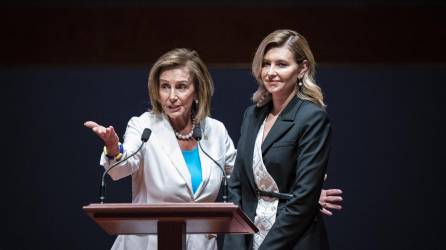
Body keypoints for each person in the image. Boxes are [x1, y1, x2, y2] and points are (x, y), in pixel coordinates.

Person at [85, 48, 341, 250]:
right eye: (165, 86)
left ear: (197, 91)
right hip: (147, 245)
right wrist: (112, 147)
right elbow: (122, 166)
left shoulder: (215, 131)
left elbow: (245, 176)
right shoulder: (144, 126)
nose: (172, 96)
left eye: (181, 86)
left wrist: (297, 196)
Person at [224, 29, 335, 250]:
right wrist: (236, 242)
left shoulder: (312, 118)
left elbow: (304, 200)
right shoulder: (251, 114)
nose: (271, 72)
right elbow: (237, 183)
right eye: (266, 64)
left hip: (292, 241)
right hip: (246, 238)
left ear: (302, 68)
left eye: (282, 64)